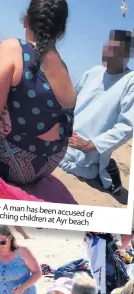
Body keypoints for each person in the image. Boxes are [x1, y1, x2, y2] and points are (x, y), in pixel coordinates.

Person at [0, 0, 75, 185]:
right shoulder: (64, 68)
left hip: (15, 163)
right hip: (50, 162)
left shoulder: (13, 47)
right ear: (60, 32)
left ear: (25, 19)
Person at [59, 30, 134, 195]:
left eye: (113, 48)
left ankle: (105, 170)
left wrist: (90, 145)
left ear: (126, 54)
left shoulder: (130, 81)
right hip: (65, 137)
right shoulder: (94, 72)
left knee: (66, 162)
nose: (105, 50)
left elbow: (128, 127)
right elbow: (71, 100)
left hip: (86, 153)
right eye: (107, 45)